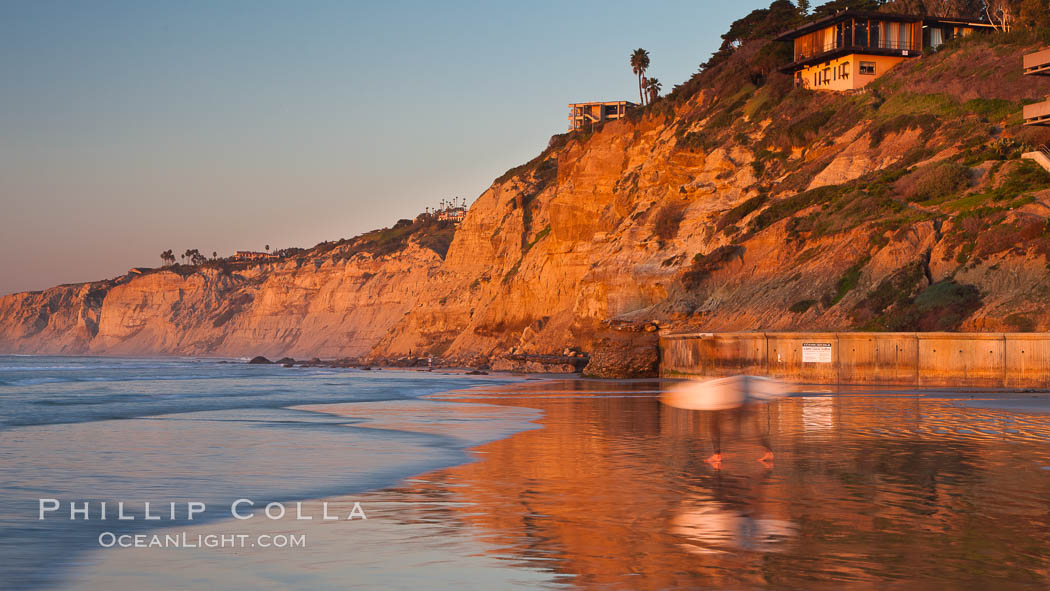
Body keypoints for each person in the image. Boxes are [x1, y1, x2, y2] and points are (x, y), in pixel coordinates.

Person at [662, 375, 786, 468]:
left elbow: (745, 382)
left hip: (736, 400)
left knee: (730, 430)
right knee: (723, 425)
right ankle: (767, 452)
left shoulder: (731, 359)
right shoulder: (732, 359)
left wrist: (755, 399)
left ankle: (718, 455)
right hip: (734, 399)